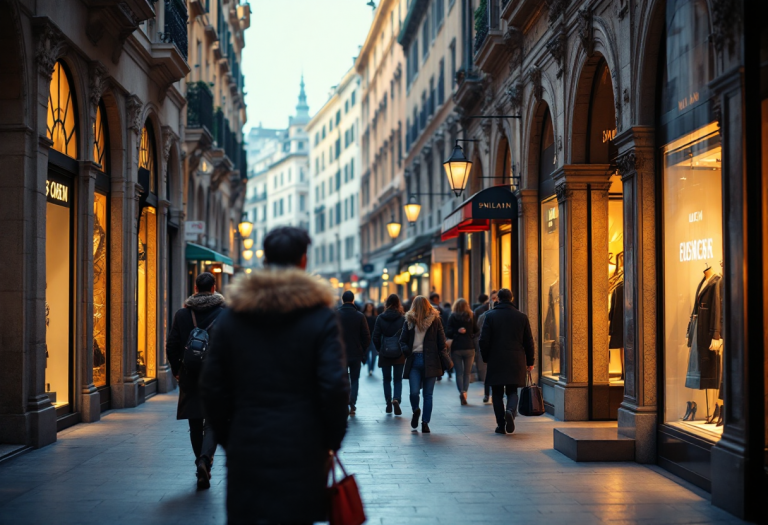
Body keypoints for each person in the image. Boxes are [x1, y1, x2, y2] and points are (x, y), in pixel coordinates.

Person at [200, 227, 349, 525]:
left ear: (265, 260)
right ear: (303, 260)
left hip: (247, 443)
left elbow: (213, 386)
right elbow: (334, 386)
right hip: (304, 445)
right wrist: (329, 441)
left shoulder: (233, 316)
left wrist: (232, 437)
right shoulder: (320, 316)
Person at [165, 271, 224, 489]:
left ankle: (200, 462)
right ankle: (205, 461)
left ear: (196, 288)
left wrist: (176, 370)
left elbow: (171, 345)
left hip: (189, 374)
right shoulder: (225, 313)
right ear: (214, 287)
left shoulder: (182, 314)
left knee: (195, 423)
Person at [479, 288, 535, 435]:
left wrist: (486, 357)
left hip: (496, 358)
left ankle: (501, 425)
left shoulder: (490, 316)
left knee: (496, 393)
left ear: (498, 299)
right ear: (512, 298)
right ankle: (510, 410)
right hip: (516, 359)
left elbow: (483, 340)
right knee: (512, 390)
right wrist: (530, 361)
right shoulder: (521, 317)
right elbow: (529, 341)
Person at [399, 296, 452, 433]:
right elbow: (402, 340)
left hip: (431, 359)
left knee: (427, 394)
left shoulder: (435, 321)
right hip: (415, 359)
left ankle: (425, 422)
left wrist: (443, 354)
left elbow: (441, 341)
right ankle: (416, 411)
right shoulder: (409, 320)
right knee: (415, 392)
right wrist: (407, 351)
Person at [338, 290, 371, 415]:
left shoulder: (336, 315)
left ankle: (345, 402)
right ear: (352, 300)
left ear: (342, 300)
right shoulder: (360, 316)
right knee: (355, 379)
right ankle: (352, 403)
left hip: (341, 354)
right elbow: (367, 336)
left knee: (344, 379)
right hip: (356, 353)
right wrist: (362, 349)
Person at [371, 294, 406, 415]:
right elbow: (407, 336)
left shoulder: (380, 318)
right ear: (398, 303)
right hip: (399, 353)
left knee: (386, 379)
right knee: (397, 379)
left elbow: (375, 336)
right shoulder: (402, 318)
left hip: (385, 352)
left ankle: (388, 403)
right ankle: (396, 399)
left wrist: (379, 349)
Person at [446, 298, 479, 405]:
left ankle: (461, 391)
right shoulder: (471, 316)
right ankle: (465, 392)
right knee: (467, 373)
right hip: (469, 347)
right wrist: (470, 335)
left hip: (457, 348)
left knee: (459, 373)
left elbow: (448, 333)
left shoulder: (452, 316)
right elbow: (477, 331)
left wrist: (457, 331)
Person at [474, 292, 497, 403]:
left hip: (491, 348)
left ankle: (489, 394)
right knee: (488, 372)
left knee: (489, 372)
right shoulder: (482, 313)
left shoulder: (484, 314)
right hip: (491, 348)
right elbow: (478, 329)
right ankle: (488, 394)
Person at [362, 302, 378, 376]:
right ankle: (369, 369)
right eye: (368, 306)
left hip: (373, 338)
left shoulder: (375, 316)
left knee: (374, 354)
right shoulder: (363, 316)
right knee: (367, 354)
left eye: (370, 306)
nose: (369, 308)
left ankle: (372, 368)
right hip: (365, 337)